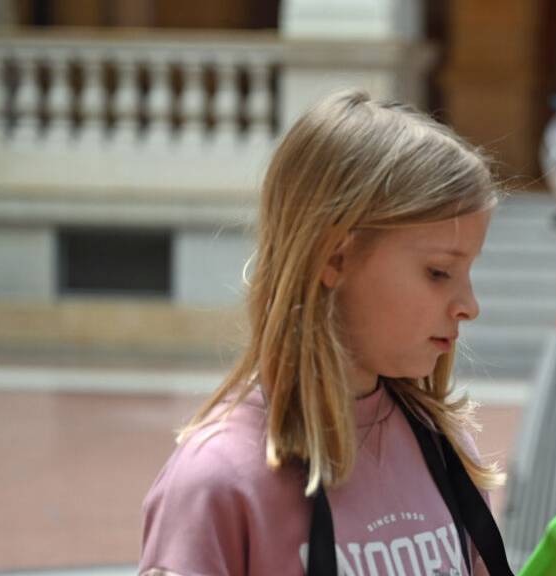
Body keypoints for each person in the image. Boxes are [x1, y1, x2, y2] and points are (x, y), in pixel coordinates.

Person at [139, 89, 512, 576]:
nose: (469, 306)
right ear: (335, 257)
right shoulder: (218, 478)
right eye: (439, 272)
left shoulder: (447, 449)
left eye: (468, 273)